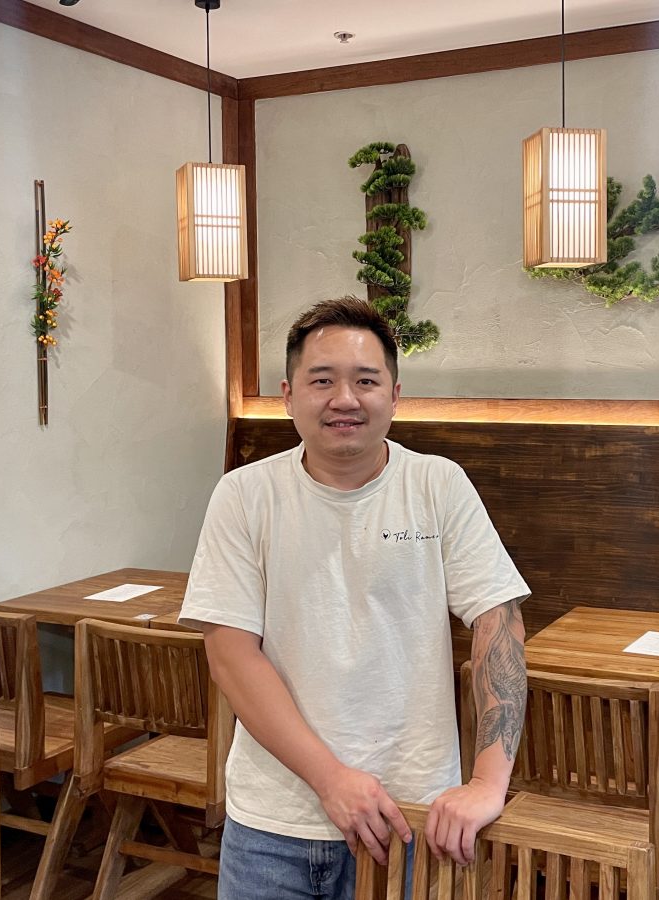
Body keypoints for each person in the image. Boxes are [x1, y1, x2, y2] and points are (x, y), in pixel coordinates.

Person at [178, 296, 529, 900]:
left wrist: (488, 783)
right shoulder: (245, 495)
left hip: (413, 820)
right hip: (272, 825)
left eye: (366, 380)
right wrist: (331, 779)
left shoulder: (437, 484)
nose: (345, 398)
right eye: (323, 380)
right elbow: (231, 655)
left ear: (394, 395)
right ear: (288, 395)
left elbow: (499, 622)